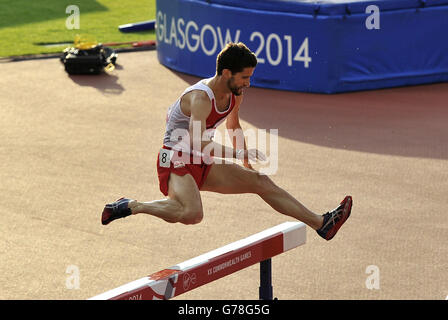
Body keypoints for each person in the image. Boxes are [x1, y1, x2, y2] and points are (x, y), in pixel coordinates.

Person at [101, 42, 352, 241]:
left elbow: (233, 126)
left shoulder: (235, 94)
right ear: (226, 73)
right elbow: (198, 142)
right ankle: (133, 206)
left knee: (261, 182)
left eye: (250, 77)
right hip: (174, 158)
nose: (248, 83)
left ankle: (322, 224)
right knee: (191, 214)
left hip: (201, 160)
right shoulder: (200, 98)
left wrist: (246, 163)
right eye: (244, 77)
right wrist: (235, 154)